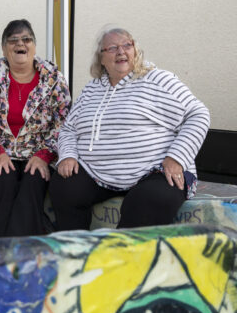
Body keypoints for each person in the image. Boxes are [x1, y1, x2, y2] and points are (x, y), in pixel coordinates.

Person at [49, 26, 210, 230]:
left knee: (149, 199)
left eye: (127, 45)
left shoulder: (158, 79)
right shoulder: (92, 88)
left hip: (154, 171)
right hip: (97, 173)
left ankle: (120, 258)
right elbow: (69, 129)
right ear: (101, 58)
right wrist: (68, 156)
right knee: (64, 186)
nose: (121, 51)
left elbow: (198, 114)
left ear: (135, 51)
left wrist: (177, 157)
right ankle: (77, 253)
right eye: (113, 47)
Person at [0, 19, 71, 237]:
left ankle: (4, 249)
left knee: (33, 183)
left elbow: (63, 121)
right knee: (3, 181)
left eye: (27, 39)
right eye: (13, 40)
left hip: (38, 153)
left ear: (34, 46)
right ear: (4, 48)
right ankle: (25, 252)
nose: (21, 44)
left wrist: (45, 155)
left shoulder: (53, 78)